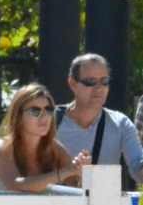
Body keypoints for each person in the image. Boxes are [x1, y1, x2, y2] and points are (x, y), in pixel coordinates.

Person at [56, 53, 143, 189]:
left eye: (105, 81)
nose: (99, 88)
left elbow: (138, 167)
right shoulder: (50, 121)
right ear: (72, 83)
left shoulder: (120, 123)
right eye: (90, 82)